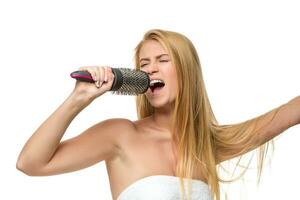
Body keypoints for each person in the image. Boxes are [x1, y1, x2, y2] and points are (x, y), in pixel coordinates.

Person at [16, 29, 300, 200]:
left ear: (187, 71)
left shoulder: (207, 145)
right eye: (144, 64)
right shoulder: (120, 135)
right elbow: (30, 163)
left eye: (163, 60)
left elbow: (289, 111)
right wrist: (78, 99)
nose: (151, 69)